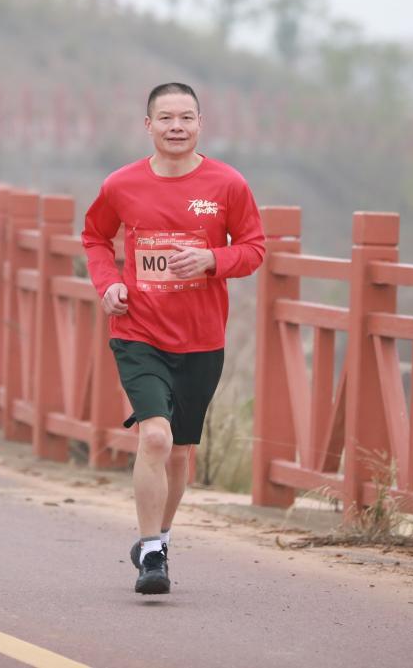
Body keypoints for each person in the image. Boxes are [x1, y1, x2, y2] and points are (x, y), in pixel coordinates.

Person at [81, 82, 265, 595]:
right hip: (138, 331)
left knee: (181, 451)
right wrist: (109, 281)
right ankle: (153, 554)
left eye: (186, 118)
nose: (176, 127)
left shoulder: (227, 185)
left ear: (200, 123)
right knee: (155, 437)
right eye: (166, 118)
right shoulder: (122, 184)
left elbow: (254, 249)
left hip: (202, 337)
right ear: (148, 126)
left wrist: (213, 259)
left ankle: (158, 536)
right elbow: (95, 236)